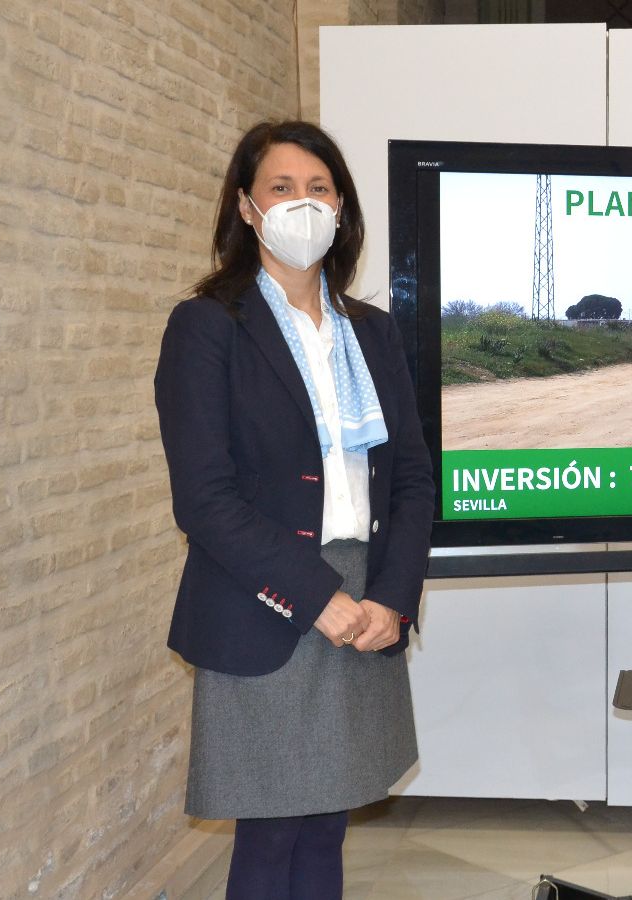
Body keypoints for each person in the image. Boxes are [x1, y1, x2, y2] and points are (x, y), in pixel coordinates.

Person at [154, 120, 435, 899]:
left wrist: (393, 596)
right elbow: (203, 498)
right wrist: (318, 598)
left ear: (340, 207)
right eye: (281, 188)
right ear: (247, 208)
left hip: (367, 595)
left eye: (318, 188)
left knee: (325, 823)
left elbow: (413, 477)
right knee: (271, 827)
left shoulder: (372, 333)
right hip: (267, 599)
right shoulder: (208, 326)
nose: (301, 204)